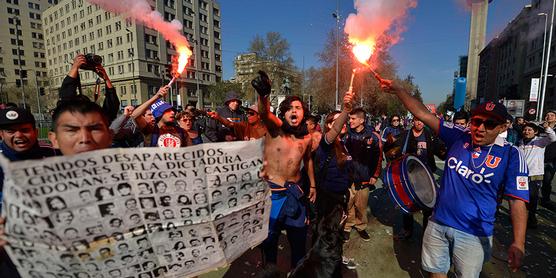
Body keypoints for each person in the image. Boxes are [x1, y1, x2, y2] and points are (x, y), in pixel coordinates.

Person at [381, 78, 529, 276]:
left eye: (490, 123)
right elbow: (423, 114)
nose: (481, 128)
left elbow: (518, 201)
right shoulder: (459, 135)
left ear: (503, 127)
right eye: (477, 121)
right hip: (438, 222)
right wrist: (399, 89)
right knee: (435, 273)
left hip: (474, 234)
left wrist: (518, 243)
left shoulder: (512, 154)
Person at [252, 71, 316, 269]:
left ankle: (297, 271)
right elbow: (264, 113)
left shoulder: (307, 138)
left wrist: (313, 185)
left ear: (303, 113)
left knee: (299, 242)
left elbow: (308, 160)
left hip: (295, 195)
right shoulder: (275, 129)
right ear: (284, 113)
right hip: (272, 196)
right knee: (269, 242)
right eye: (289, 108)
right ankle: (270, 271)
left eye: (298, 107)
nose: (294, 111)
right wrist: (263, 95)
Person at [0, 107, 58, 277]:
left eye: (25, 130)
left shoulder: (55, 157)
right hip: (13, 261)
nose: (18, 135)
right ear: (1, 134)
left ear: (35, 131)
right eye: (10, 131)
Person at [390, 117, 446, 240]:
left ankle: (426, 234)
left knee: (429, 207)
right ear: (413, 121)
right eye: (416, 120)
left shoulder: (430, 135)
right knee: (408, 204)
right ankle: (407, 230)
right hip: (409, 176)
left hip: (426, 176)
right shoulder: (405, 135)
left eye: (421, 120)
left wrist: (450, 149)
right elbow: (392, 150)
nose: (419, 122)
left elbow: (441, 152)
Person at [343, 108, 382, 243]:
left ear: (361, 120)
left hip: (365, 178)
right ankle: (347, 227)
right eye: (350, 118)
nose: (350, 121)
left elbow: (378, 157)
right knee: (348, 203)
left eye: (353, 119)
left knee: (361, 205)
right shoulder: (347, 135)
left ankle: (361, 226)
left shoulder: (373, 136)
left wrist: (375, 175)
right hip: (348, 177)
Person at [58, 54, 119, 123]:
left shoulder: (69, 119)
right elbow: (112, 106)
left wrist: (75, 67)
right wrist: (106, 79)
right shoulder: (100, 123)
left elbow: (65, 97)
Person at [517, 122, 556, 228]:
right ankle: (520, 217)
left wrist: (547, 128)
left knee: (533, 197)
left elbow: (553, 138)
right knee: (521, 197)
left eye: (529, 130)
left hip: (535, 174)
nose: (527, 132)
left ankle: (532, 218)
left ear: (535, 132)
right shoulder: (520, 142)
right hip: (522, 174)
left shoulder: (540, 141)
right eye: (525, 130)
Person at [541, 110, 556, 210]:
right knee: (536, 181)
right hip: (539, 158)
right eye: (547, 115)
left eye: (551, 115)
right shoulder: (540, 128)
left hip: (552, 160)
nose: (549, 117)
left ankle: (545, 200)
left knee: (547, 181)